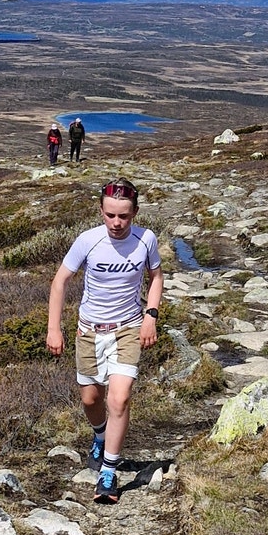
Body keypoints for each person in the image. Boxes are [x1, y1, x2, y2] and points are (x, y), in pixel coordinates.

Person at [47, 177, 162, 501]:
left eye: (123, 216)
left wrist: (150, 317)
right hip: (89, 332)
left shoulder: (146, 239)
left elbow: (156, 276)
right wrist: (54, 329)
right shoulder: (88, 241)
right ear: (101, 211)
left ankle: (108, 473)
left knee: (119, 398)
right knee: (91, 400)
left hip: (127, 328)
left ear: (135, 212)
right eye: (110, 215)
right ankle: (100, 436)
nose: (116, 223)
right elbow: (60, 283)